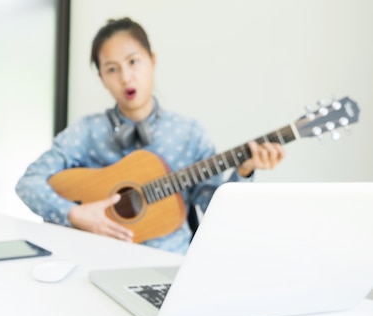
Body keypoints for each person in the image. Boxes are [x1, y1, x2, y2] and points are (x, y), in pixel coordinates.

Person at [15, 17, 285, 254]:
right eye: (112, 69)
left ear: (152, 61)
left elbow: (218, 215)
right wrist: (75, 214)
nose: (126, 77)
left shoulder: (189, 133)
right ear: (102, 78)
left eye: (133, 62)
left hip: (168, 264)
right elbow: (29, 183)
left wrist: (245, 170)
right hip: (94, 260)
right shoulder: (87, 131)